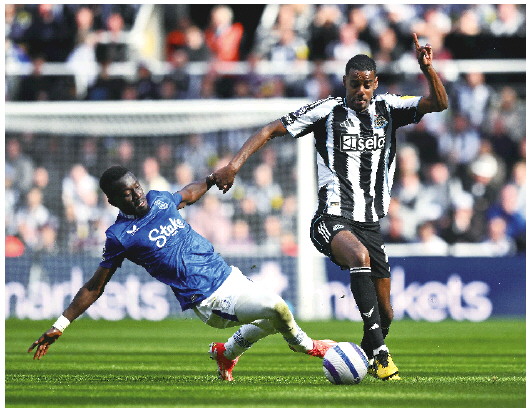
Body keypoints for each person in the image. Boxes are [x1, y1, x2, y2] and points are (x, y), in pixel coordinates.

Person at [213, 33, 448, 381]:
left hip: (370, 224)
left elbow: (439, 103)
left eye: (367, 85)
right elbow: (270, 130)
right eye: (355, 84)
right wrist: (234, 166)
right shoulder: (327, 111)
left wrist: (427, 69)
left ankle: (359, 360)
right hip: (331, 218)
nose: (361, 91)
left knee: (385, 314)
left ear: (375, 84)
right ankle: (381, 355)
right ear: (345, 82)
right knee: (359, 258)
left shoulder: (389, 109)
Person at [27, 166, 336, 381]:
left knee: (273, 318)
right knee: (278, 307)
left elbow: (187, 194)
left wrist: (211, 179)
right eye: (126, 194)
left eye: (136, 187)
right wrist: (60, 324)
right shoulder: (120, 236)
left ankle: (226, 353)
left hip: (230, 276)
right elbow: (95, 286)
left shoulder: (159, 199)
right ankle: (307, 346)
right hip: (209, 300)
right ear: (112, 201)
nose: (137, 195)